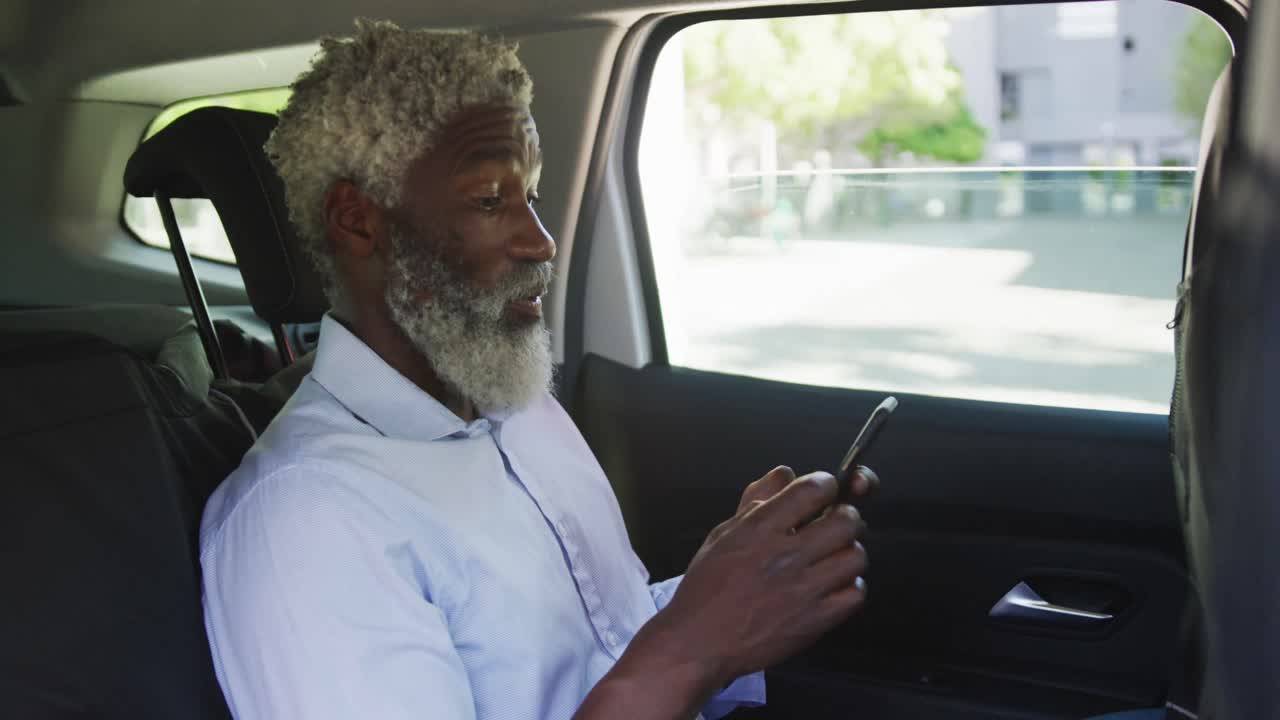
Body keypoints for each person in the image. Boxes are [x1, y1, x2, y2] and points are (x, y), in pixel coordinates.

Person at [200, 20, 876, 720]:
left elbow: (597, 651)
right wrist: (690, 646)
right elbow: (658, 665)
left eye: (534, 198)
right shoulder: (306, 521)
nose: (541, 242)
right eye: (491, 201)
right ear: (359, 221)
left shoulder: (521, 410)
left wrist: (725, 584)